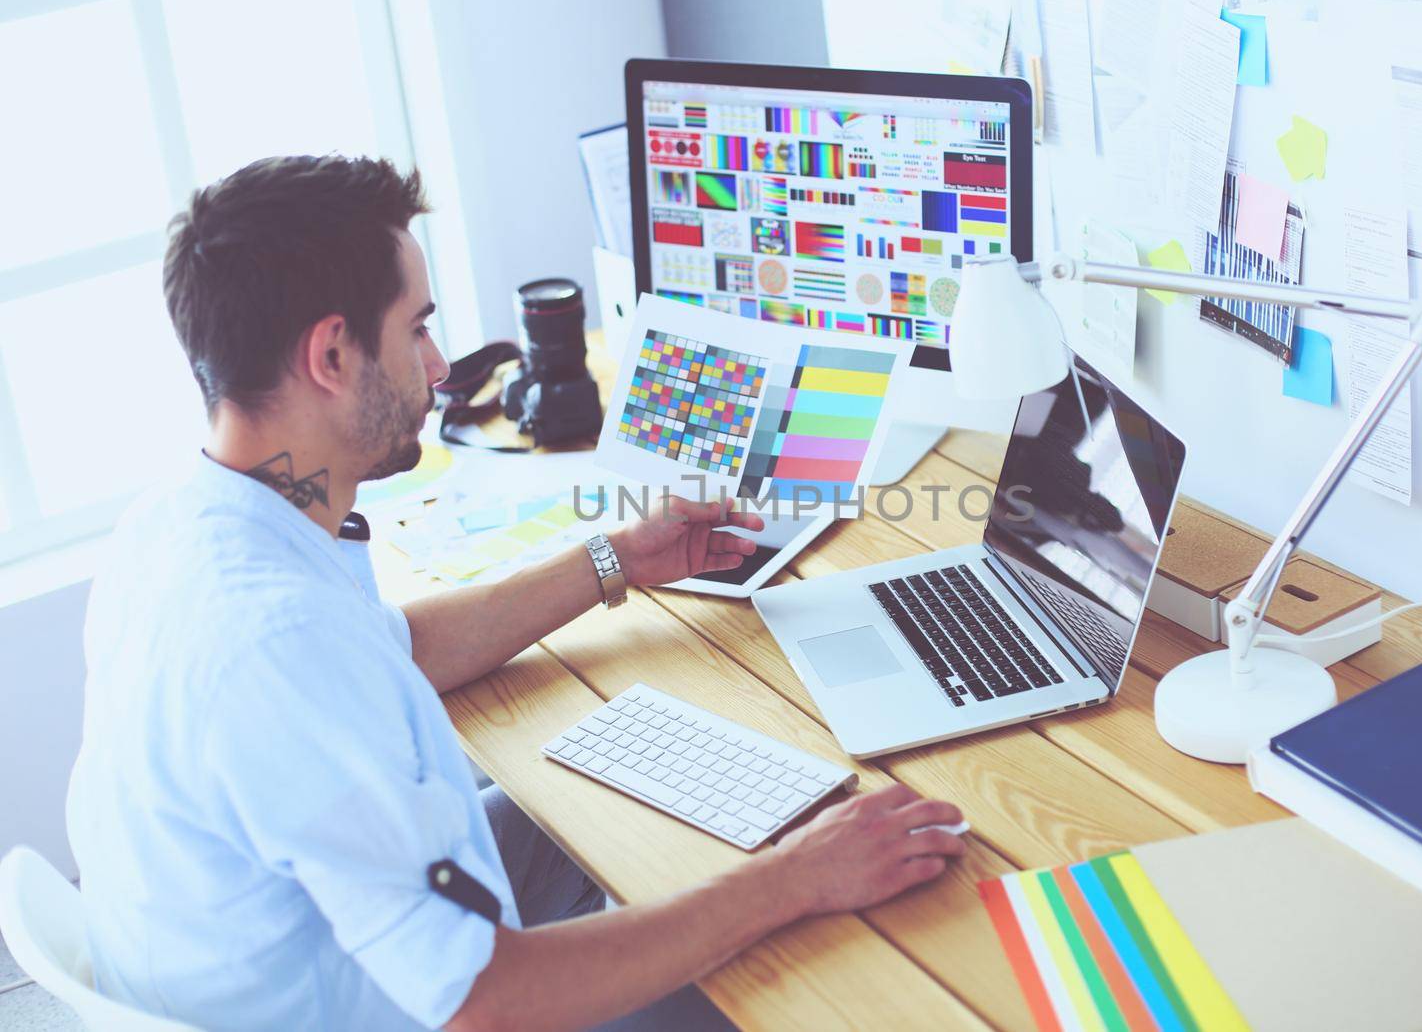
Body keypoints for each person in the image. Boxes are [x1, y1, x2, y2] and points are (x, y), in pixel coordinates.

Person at [64, 155, 966, 1032]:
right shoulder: (278, 642)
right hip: (395, 1002)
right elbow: (484, 1002)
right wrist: (795, 877)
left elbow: (392, 648)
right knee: (821, 977)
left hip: (292, 956)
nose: (442, 363)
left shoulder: (181, 524)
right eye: (415, 327)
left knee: (591, 809)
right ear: (331, 353)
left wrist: (615, 560)